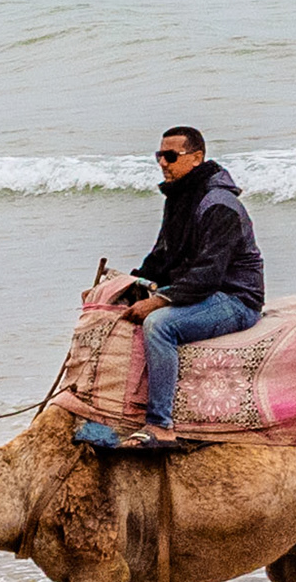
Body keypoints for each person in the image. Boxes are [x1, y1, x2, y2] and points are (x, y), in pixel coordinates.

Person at [107, 125, 265, 449]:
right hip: (201, 291)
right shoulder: (179, 199)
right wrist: (128, 283)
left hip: (234, 298)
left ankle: (160, 426)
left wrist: (160, 301)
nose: (163, 163)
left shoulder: (219, 204)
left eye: (170, 156)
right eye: (159, 156)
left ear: (196, 158)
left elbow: (208, 274)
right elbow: (163, 255)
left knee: (159, 325)